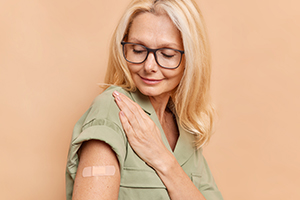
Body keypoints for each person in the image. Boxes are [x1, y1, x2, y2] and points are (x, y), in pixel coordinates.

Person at [66, 0, 223, 199]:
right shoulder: (113, 109)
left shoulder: (185, 127)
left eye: (167, 54)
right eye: (138, 50)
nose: (149, 66)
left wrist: (165, 161)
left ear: (190, 59)